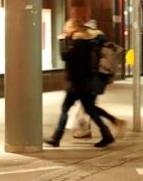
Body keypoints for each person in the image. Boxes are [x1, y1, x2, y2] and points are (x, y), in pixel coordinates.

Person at [44, 18, 124, 148]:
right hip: (85, 82)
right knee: (90, 109)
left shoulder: (79, 42)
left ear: (73, 28)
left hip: (77, 84)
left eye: (67, 28)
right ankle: (107, 134)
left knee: (66, 109)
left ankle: (56, 137)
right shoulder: (88, 41)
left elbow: (65, 56)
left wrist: (62, 40)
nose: (65, 30)